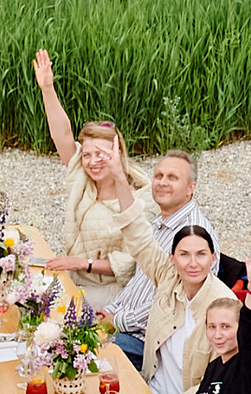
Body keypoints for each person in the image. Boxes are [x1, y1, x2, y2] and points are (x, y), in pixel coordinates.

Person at [29, 57, 162, 309]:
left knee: (49, 309)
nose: (92, 162)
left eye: (101, 154)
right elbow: (62, 135)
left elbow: (131, 262)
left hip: (113, 291)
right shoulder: (83, 178)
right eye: (87, 154)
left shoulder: (141, 198)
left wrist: (82, 263)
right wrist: (47, 89)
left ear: (118, 152)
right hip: (76, 277)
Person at [110, 146, 214, 367]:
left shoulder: (193, 239)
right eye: (158, 176)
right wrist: (109, 312)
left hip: (150, 343)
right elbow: (137, 284)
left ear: (191, 187)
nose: (162, 182)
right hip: (127, 325)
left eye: (172, 178)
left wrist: (116, 320)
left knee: (81, 351)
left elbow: (175, 304)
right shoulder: (160, 223)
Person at [141, 223, 236, 394]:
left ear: (213, 258)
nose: (193, 263)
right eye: (184, 255)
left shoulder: (225, 306)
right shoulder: (169, 277)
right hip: (150, 390)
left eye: (201, 254)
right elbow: (138, 240)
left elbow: (217, 383)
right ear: (172, 259)